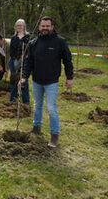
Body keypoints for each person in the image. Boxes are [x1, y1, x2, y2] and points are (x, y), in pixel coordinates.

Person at [19, 16, 73, 148]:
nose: (45, 28)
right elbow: (28, 62)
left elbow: (67, 60)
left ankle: (54, 135)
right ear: (39, 27)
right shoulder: (34, 43)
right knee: (37, 105)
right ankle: (36, 127)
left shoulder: (60, 42)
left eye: (47, 26)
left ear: (52, 27)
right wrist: (24, 77)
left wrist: (69, 77)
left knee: (51, 108)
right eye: (43, 26)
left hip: (52, 82)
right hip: (37, 81)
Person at [9, 19, 30, 104]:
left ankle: (26, 102)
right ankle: (13, 100)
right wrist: (15, 61)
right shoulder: (14, 38)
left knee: (24, 81)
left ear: (24, 26)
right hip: (14, 61)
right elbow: (11, 51)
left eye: (21, 25)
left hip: (25, 62)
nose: (19, 27)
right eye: (17, 25)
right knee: (14, 80)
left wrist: (24, 60)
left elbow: (29, 51)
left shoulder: (28, 37)